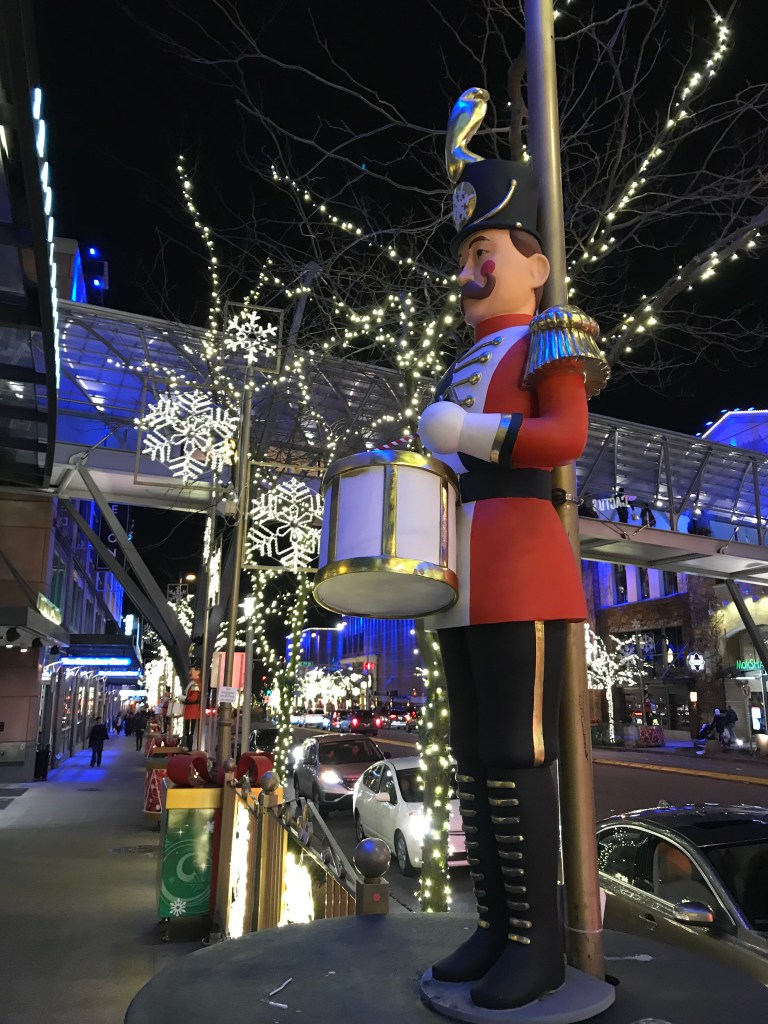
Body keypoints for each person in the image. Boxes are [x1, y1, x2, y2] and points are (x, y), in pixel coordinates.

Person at [416, 93, 609, 1011]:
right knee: (475, 751)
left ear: (533, 262)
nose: (470, 266)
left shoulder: (550, 334)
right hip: (461, 564)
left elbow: (564, 437)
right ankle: (496, 923)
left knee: (518, 748)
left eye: (484, 249)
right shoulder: (460, 359)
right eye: (462, 253)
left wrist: (474, 431)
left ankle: (535, 945)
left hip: (524, 557)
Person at [182, 666, 202, 751]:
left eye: (191, 670)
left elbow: (193, 698)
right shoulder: (194, 683)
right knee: (188, 732)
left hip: (192, 711)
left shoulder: (195, 684)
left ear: (198, 672)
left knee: (189, 732)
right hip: (190, 710)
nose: (189, 672)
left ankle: (189, 749)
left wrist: (184, 698)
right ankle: (187, 748)